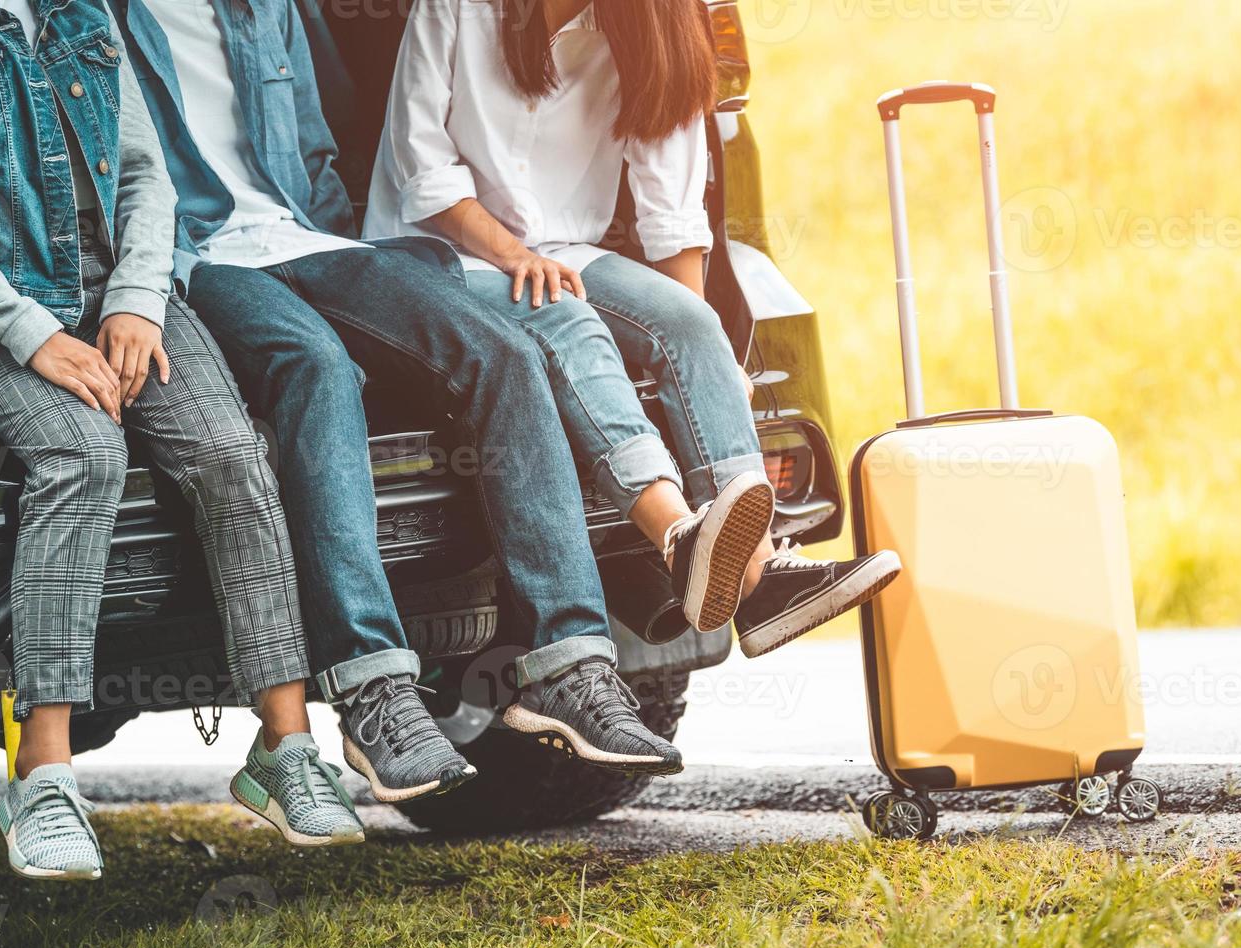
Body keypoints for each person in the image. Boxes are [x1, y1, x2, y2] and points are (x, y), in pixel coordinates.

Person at [106, 0, 720, 777]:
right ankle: (371, 690)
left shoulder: (265, 8)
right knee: (316, 364)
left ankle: (567, 666)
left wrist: (343, 258)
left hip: (305, 237)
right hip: (194, 258)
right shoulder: (92, 18)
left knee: (502, 350)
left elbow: (313, 143)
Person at [0, 0, 365, 878]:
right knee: (84, 454)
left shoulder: (83, 10)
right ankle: (43, 779)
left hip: (115, 290)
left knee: (231, 456)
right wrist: (29, 332)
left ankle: (285, 750)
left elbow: (142, 174)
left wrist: (134, 299)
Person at [366, 0, 902, 658]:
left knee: (688, 321)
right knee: (561, 312)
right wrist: (513, 255)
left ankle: (758, 579)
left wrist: (703, 345)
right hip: (431, 250)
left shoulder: (656, 19)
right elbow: (420, 169)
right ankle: (677, 539)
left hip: (561, 248)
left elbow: (670, 207)